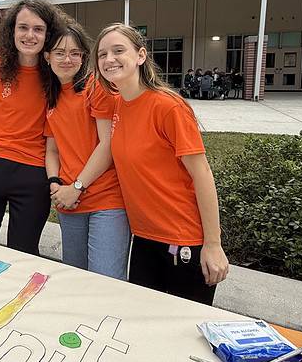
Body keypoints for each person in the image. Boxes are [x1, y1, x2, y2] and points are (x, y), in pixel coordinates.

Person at [94, 23, 229, 305]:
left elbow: (202, 174)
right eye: (102, 54)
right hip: (143, 239)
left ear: (141, 56)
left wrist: (213, 244)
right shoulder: (119, 105)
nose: (109, 59)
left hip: (182, 241)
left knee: (183, 333)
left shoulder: (169, 106)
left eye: (119, 50)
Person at [0, 0, 64, 256]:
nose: (29, 35)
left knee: (23, 253)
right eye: (23, 27)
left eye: (38, 29)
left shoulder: (56, 76)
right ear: (12, 31)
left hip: (33, 173)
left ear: (48, 34)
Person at [43, 20, 130, 280]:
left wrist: (77, 187)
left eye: (75, 53)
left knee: (106, 280)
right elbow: (53, 150)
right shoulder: (52, 96)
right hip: (69, 202)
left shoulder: (97, 88)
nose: (67, 59)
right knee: (76, 280)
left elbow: (109, 144)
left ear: (83, 56)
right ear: (47, 57)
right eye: (59, 52)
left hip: (106, 200)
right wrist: (55, 183)